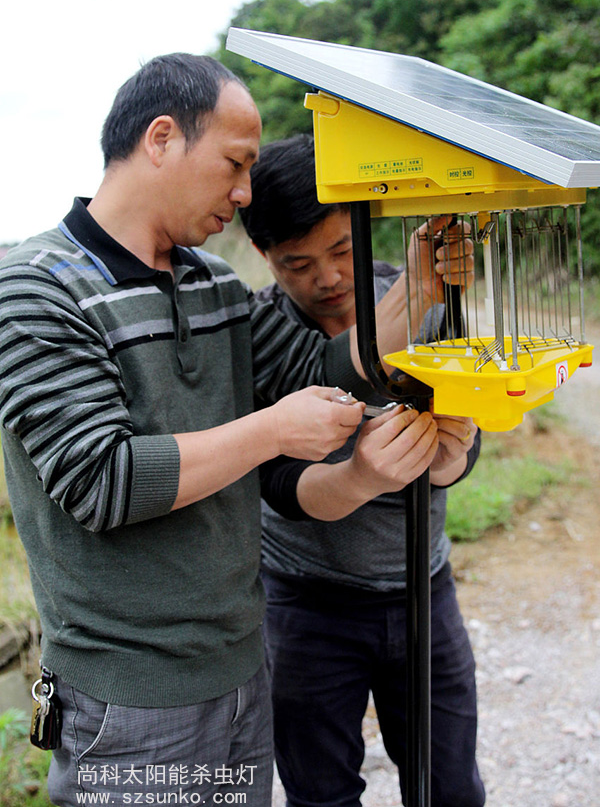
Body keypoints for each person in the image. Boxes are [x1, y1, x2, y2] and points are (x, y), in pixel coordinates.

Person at [0, 55, 449, 807]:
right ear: (163, 138)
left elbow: (320, 364)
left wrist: (420, 284)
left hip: (244, 676)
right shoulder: (37, 288)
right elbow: (101, 480)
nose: (245, 194)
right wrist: (274, 430)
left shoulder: (215, 285)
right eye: (235, 165)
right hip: (130, 702)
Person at [239, 134, 486, 807]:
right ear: (263, 256)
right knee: (320, 792)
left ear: (363, 225)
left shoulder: (432, 306)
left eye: (342, 251)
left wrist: (448, 459)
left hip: (423, 589)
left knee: (450, 789)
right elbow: (277, 485)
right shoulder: (259, 333)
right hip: (304, 604)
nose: (327, 278)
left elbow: (467, 442)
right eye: (298, 263)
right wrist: (359, 478)